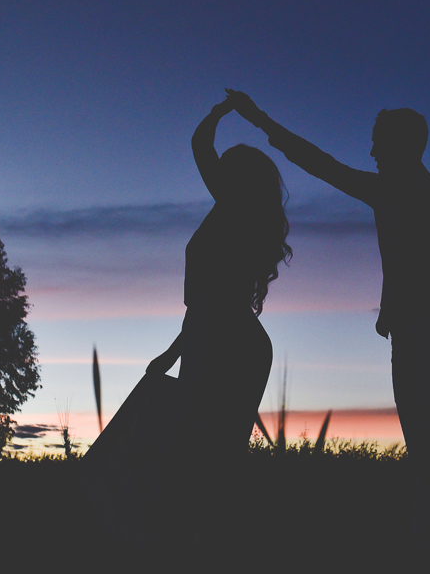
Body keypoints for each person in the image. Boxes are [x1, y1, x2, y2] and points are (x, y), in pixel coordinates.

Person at [225, 89, 430, 547]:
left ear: (403, 145)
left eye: (378, 142)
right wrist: (260, 118)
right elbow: (317, 162)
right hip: (409, 338)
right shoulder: (388, 192)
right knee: (425, 452)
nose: (372, 152)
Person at [145, 94, 292, 551]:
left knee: (202, 457)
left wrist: (220, 113)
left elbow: (199, 145)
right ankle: (211, 546)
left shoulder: (233, 212)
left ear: (237, 180)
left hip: (221, 341)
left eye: (226, 169)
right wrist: (172, 353)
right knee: (212, 458)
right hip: (229, 337)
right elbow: (211, 304)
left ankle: (202, 547)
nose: (216, 174)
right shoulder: (237, 215)